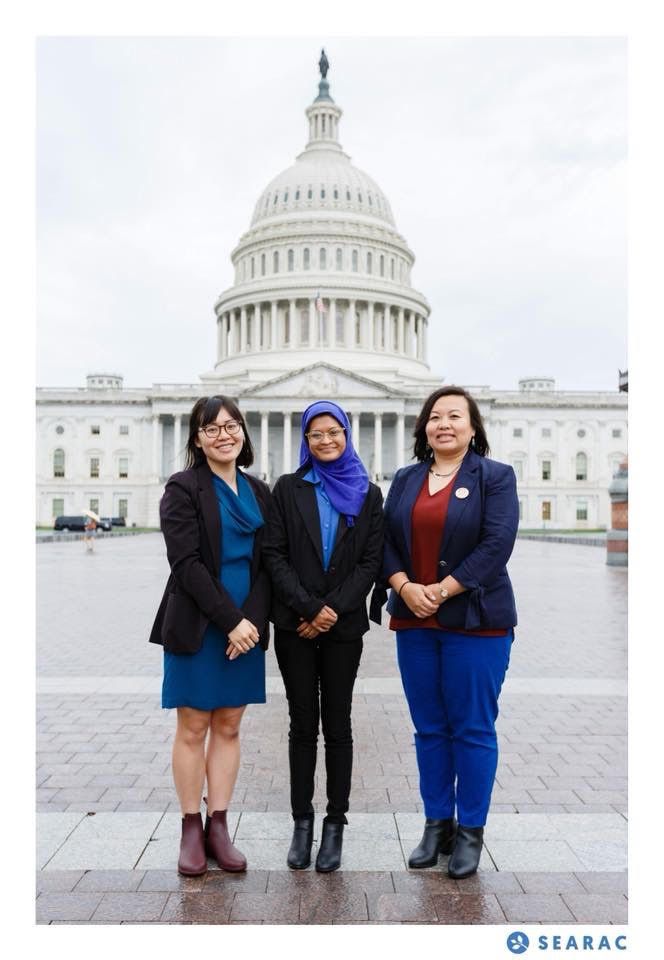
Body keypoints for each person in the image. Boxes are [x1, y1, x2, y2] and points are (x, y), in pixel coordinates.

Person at [370, 386, 518, 879]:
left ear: (474, 427)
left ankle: (471, 830)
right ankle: (437, 825)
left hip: (475, 621)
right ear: (424, 428)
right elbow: (385, 541)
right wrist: (404, 586)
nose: (444, 424)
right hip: (414, 621)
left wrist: (443, 589)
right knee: (429, 729)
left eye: (455, 416)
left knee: (472, 727)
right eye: (435, 417)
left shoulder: (494, 477)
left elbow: (497, 543)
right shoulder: (407, 479)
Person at [149, 396, 271, 877]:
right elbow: (186, 564)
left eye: (231, 425)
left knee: (229, 726)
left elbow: (267, 566)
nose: (224, 434)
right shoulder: (182, 489)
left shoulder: (260, 492)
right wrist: (230, 621)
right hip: (201, 623)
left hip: (247, 626)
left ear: (243, 432)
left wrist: (252, 624)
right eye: (211, 428)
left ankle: (219, 824)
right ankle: (190, 827)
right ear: (197, 438)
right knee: (193, 725)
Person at [263, 401, 383, 872]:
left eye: (334, 432)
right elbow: (274, 555)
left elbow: (371, 562)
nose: (326, 440)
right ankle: (302, 822)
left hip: (343, 627)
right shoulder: (286, 489)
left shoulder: (369, 495)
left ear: (347, 435)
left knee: (339, 726)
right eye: (316, 434)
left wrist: (332, 610)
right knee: (300, 726)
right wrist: (310, 608)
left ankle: (335, 823)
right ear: (305, 441)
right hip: (295, 624)